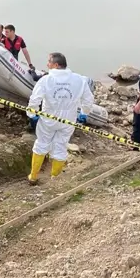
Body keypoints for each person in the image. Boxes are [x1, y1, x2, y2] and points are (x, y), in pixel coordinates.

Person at [25, 52, 94, 185]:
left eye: (49, 62)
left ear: (56, 65)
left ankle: (33, 176)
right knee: (61, 146)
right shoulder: (79, 80)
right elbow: (88, 99)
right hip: (68, 120)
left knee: (41, 144)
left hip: (48, 119)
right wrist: (84, 113)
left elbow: (35, 99)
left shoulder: (46, 80)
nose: (47, 64)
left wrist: (32, 115)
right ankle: (55, 178)